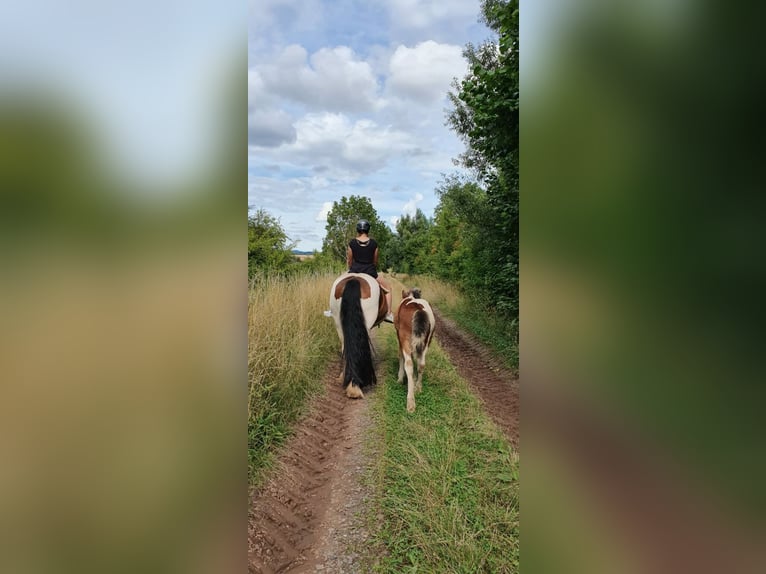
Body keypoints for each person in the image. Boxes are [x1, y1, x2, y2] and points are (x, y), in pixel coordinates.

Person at [347, 219, 394, 323]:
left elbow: (350, 260)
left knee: (337, 283)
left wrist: (351, 269)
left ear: (358, 230)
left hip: (354, 271)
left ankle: (333, 309)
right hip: (370, 272)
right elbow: (375, 261)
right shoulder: (373, 244)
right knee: (388, 289)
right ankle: (388, 314)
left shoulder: (352, 243)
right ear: (368, 230)